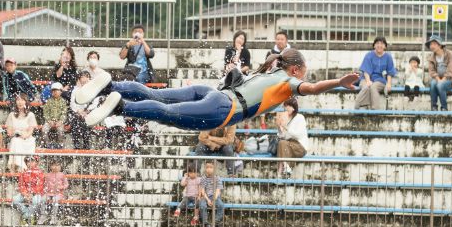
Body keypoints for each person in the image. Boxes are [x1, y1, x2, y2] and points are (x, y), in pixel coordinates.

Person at [77, 48, 358, 131]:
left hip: (212, 94)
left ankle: (110, 85)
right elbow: (312, 88)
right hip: (221, 109)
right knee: (165, 112)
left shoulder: (267, 70)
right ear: (296, 69)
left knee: (157, 95)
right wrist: (338, 83)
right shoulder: (288, 82)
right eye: (304, 71)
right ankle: (119, 106)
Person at [354, 36, 396, 110]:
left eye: (382, 43)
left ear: (385, 46)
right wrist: (368, 81)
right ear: (374, 45)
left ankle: (375, 109)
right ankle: (359, 107)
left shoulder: (388, 57)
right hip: (366, 78)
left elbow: (390, 72)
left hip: (380, 80)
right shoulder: (369, 55)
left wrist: (389, 83)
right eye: (377, 43)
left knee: (374, 87)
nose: (379, 45)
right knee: (366, 87)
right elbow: (366, 70)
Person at [275, 97, 309, 175]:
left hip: (300, 146)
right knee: (281, 143)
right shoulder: (286, 118)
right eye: (285, 106)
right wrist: (279, 127)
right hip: (289, 145)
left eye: (288, 106)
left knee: (282, 143)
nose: (286, 108)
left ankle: (283, 169)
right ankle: (282, 170)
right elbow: (283, 136)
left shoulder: (300, 118)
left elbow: (298, 135)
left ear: (293, 108)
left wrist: (286, 127)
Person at [426, 35, 452, 112]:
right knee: (432, 84)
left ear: (439, 45)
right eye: (431, 44)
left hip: (450, 80)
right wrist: (438, 78)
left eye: (434, 44)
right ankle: (434, 107)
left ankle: (444, 107)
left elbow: (451, 69)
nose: (432, 46)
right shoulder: (431, 57)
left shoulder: (449, 54)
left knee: (440, 85)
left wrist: (443, 79)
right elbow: (431, 71)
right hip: (437, 78)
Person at [5, 94, 37, 172]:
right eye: (18, 100)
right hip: (16, 138)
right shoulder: (11, 115)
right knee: (16, 141)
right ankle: (18, 166)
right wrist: (16, 133)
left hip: (27, 139)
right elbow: (9, 131)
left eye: (22, 100)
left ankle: (22, 166)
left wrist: (24, 135)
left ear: (26, 102)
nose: (20, 102)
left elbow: (30, 131)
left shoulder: (30, 115)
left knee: (18, 141)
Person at [12, 155, 45, 226]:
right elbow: (21, 185)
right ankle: (27, 214)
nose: (29, 163)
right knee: (14, 200)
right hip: (25, 193)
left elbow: (40, 185)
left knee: (36, 201)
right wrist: (25, 194)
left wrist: (32, 194)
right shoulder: (23, 173)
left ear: (36, 162)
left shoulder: (40, 172)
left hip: (36, 193)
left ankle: (28, 216)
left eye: (32, 161)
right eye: (28, 161)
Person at [68, 69, 93, 150]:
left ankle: (86, 150)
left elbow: (95, 103)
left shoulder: (93, 90)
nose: (85, 79)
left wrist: (86, 111)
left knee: (86, 125)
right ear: (79, 79)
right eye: (82, 77)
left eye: (87, 77)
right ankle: (77, 149)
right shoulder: (75, 90)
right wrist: (79, 111)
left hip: (89, 114)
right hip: (77, 114)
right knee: (75, 123)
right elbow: (72, 103)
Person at [41, 82, 68, 148]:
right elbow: (45, 112)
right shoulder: (48, 101)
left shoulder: (63, 102)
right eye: (53, 91)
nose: (55, 92)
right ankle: (48, 144)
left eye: (56, 90)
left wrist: (60, 121)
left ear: (61, 91)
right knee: (44, 130)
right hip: (50, 121)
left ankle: (60, 145)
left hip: (59, 121)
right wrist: (49, 120)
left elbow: (64, 113)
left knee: (61, 131)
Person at [40, 159, 68, 224]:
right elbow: (45, 185)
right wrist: (44, 191)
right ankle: (43, 215)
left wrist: (61, 187)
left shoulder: (62, 175)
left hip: (59, 193)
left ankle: (54, 216)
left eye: (58, 165)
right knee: (43, 199)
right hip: (49, 193)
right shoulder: (48, 175)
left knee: (55, 200)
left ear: (60, 166)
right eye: (54, 165)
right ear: (50, 166)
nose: (55, 167)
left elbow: (66, 184)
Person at [198, 160, 224, 227]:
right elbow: (202, 190)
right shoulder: (203, 178)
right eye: (207, 167)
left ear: (214, 168)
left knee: (221, 205)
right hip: (205, 196)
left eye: (211, 167)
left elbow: (218, 190)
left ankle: (216, 221)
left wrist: (214, 199)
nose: (208, 169)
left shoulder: (218, 178)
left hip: (215, 196)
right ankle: (205, 222)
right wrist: (208, 200)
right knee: (202, 205)